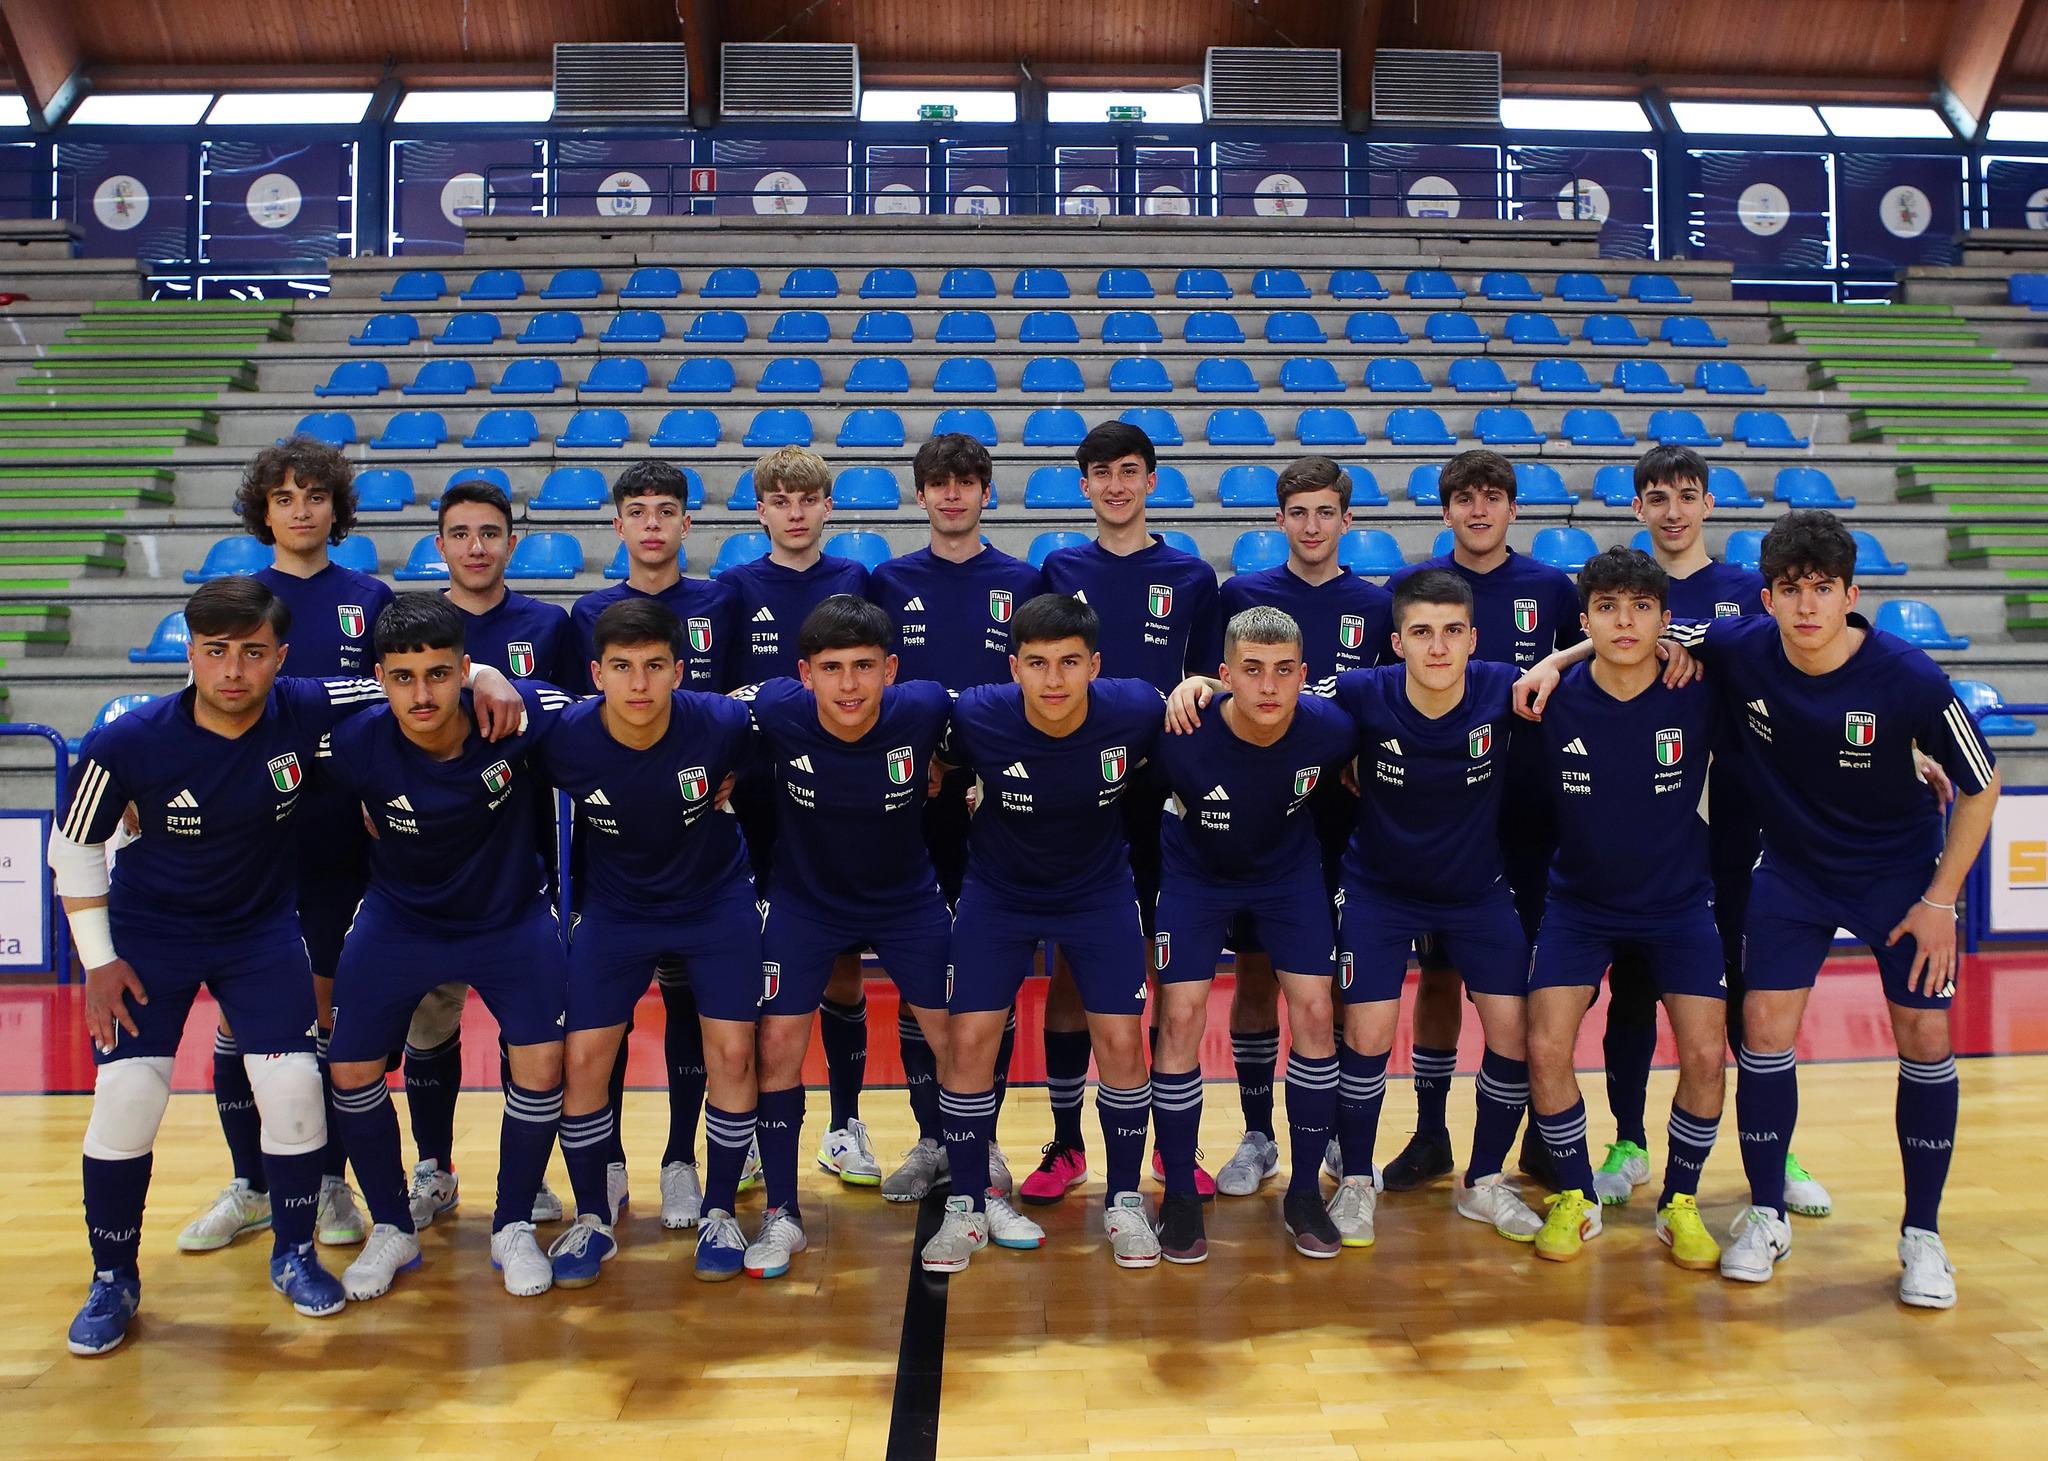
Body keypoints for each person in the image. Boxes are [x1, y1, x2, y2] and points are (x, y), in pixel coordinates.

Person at [1521, 509, 2000, 1308]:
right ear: (1767, 597)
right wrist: (1554, 660)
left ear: (1851, 594)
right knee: (1764, 1034)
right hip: (1793, 872)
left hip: (1897, 877)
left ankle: (1923, 1233)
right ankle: (1766, 1210)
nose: (1807, 606)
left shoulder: (1910, 676)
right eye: (1790, 589)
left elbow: (1983, 784)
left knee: (1923, 1035)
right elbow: (1627, 634)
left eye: (1823, 589)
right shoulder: (1741, 648)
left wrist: (1941, 901)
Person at [51, 576, 516, 1354]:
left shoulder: (303, 704)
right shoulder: (127, 743)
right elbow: (71, 848)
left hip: (261, 933)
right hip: (149, 937)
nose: (234, 670)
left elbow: (405, 671)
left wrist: (484, 673)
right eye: (215, 652)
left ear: (280, 656)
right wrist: (97, 962)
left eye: (253, 653)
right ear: (191, 655)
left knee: (299, 1089)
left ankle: (294, 1252)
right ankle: (112, 1278)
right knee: (128, 1096)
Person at [1175, 570, 1541, 1249]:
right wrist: (1204, 684)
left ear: (1474, 639)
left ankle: (1486, 1179)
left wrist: (1568, 655)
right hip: (1380, 889)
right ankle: (1356, 1180)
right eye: (1423, 632)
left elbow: (1606, 665)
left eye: (1452, 631)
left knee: (1513, 1031)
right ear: (1396, 641)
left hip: (1477, 890)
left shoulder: (1504, 688)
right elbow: (1272, 694)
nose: (1438, 647)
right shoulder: (1359, 691)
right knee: (1366, 1035)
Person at [317, 594, 578, 1302]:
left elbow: (583, 697)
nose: (422, 693)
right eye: (403, 677)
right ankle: (392, 1226)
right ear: (379, 678)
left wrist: (503, 678)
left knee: (542, 1062)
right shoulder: (353, 742)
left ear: (463, 669)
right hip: (401, 919)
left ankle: (513, 1222)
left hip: (510, 917)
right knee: (349, 1068)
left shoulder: (509, 720)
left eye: (439, 674)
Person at [1596, 446, 1833, 1217]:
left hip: (1735, 816)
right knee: (1633, 986)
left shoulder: (1746, 591)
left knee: (1747, 994)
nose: (1672, 510)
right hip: (1644, 814)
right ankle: (1629, 1140)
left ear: (1708, 504)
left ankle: (1775, 1146)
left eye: (1686, 495)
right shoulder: (1630, 590)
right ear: (1637, 507)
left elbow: (1824, 652)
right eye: (1657, 497)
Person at [175, 438, 394, 1257]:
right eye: (285, 496)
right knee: (240, 1018)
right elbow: (201, 705)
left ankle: (327, 1174)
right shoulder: (239, 597)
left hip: (338, 832)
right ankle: (253, 1184)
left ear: (337, 508)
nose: (301, 508)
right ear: (262, 510)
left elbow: (393, 703)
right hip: (250, 835)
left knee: (321, 1018)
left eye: (315, 495)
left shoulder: (369, 596)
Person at [923, 593, 1165, 1273]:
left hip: (1098, 892)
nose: (1053, 679)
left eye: (1068, 662)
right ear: (1013, 667)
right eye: (1036, 663)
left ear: (1096, 664)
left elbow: (1192, 709)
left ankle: (1123, 1199)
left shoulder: (1138, 707)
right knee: (969, 1039)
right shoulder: (975, 713)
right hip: (999, 892)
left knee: (1120, 1040)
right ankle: (966, 1205)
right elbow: (929, 747)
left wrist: (1203, 682)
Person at [530, 599, 762, 1284]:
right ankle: (593, 1218)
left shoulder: (718, 721)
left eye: (655, 666)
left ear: (679, 671)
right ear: (596, 673)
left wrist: (738, 779)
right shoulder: (564, 735)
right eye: (623, 667)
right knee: (584, 1059)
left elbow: (783, 716)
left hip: (714, 900)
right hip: (619, 907)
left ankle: (720, 1207)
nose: (639, 684)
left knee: (733, 1051)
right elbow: (490, 704)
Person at [735, 596, 956, 1279]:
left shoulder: (923, 708)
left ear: (891, 668)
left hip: (907, 899)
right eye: (832, 668)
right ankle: (783, 1212)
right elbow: (701, 715)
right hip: (806, 902)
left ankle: (972, 1190)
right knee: (776, 1045)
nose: (851, 684)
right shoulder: (775, 708)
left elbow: (1006, 708)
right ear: (805, 674)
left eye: (865, 666)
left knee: (960, 1037)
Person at [1518, 548, 1726, 1270]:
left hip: (1678, 903)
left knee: (1705, 1052)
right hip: (1579, 902)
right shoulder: (1549, 697)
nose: (1625, 621)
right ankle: (1575, 1195)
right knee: (1543, 1044)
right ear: (1585, 620)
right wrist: (1555, 662)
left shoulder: (1699, 687)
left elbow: (1794, 704)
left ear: (1667, 621)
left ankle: (1681, 1200)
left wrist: (1907, 754)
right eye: (1607, 607)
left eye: (1641, 607)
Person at [1378, 450, 1579, 1193]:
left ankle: (1535, 1133)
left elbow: (1583, 670)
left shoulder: (1551, 588)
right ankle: (1431, 1132)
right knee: (1437, 977)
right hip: (1441, 815)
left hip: (1532, 813)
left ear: (1513, 508)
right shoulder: (1413, 589)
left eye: (1493, 497)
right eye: (1465, 498)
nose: (1479, 509)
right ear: (1446, 510)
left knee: (1527, 986)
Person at [1034, 422, 1220, 1205]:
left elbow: (1211, 674)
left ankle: (1170, 1144)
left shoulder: (1191, 574)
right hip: (1077, 793)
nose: (1116, 484)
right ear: (1084, 485)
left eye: (1130, 471)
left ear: (1153, 480)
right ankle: (1067, 1141)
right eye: (1101, 472)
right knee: (1076, 964)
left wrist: (1198, 683)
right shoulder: (1059, 566)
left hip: (1156, 791)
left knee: (1155, 968)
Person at [399, 476, 581, 1236]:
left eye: (490, 532)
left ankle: (529, 1175)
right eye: (461, 533)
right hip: (424, 862)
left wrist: (511, 684)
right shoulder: (407, 620)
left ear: (513, 541)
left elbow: (575, 716)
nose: (476, 546)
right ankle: (434, 1167)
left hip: (517, 855)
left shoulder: (549, 622)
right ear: (438, 544)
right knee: (428, 1020)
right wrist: (477, 673)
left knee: (524, 1023)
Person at [569, 458, 748, 1229]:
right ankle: (605, 1166)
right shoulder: (585, 612)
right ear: (618, 525)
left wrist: (728, 768)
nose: (651, 522)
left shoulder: (721, 599)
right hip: (614, 840)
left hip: (702, 832)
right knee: (600, 1022)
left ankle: (682, 1157)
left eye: (665, 510)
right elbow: (559, 719)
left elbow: (744, 700)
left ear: (686, 522)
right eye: (636, 510)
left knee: (691, 1003)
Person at [1149, 606, 1357, 1261]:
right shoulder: (1180, 730)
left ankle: (1302, 1190)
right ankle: (1180, 1192)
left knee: (1318, 1011)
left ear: (1305, 676)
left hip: (1286, 872)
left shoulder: (1331, 730)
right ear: (1223, 674)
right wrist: (1191, 691)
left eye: (1283, 671)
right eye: (1251, 671)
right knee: (1180, 1017)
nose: (1268, 686)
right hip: (1195, 871)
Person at [865, 433, 1041, 1200]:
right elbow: (871, 688)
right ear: (920, 494)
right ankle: (932, 1134)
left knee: (986, 972)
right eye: (939, 483)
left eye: (968, 482)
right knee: (919, 972)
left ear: (986, 493)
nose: (953, 494)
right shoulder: (887, 580)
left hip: (1002, 799)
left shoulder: (1025, 580)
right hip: (915, 796)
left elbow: (1040, 691)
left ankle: (987, 1137)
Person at [1213, 455, 1390, 1196]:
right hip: (1259, 817)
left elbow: (1389, 707)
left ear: (1347, 521)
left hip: (1346, 822)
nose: (1312, 526)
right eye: (1298, 512)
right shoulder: (1242, 596)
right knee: (1255, 975)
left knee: (1339, 987)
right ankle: (1259, 1134)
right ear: (1279, 519)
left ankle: (1344, 1143)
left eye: (1326, 512)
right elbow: (1207, 693)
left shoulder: (1379, 606)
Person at [722, 447, 879, 1190]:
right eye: (778, 499)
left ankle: (845, 1125)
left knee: (843, 967)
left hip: (835, 801)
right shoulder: (731, 589)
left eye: (805, 498)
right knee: (760, 973)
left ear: (827, 508)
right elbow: (716, 702)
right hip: (752, 798)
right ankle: (751, 1131)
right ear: (760, 510)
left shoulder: (855, 582)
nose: (792, 511)